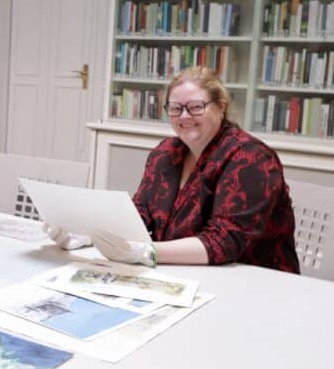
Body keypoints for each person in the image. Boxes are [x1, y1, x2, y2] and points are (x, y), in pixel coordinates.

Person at [49, 67, 299, 273]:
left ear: (221, 107)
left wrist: (147, 252)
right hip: (181, 274)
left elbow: (224, 242)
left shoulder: (250, 158)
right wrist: (88, 234)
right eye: (176, 108)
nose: (185, 116)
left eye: (196, 107)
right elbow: (139, 215)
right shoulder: (165, 154)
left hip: (254, 282)